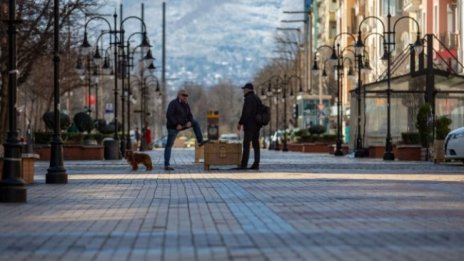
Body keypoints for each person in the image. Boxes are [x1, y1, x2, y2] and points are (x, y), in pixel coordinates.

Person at [164, 89, 205, 170]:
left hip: (183, 125)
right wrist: (176, 124)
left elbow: (190, 115)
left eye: (187, 95)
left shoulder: (186, 104)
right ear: (179, 95)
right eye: (184, 95)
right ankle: (167, 165)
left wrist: (190, 121)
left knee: (195, 123)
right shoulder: (173, 103)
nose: (186, 97)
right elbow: (169, 115)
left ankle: (200, 141)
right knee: (169, 145)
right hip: (173, 127)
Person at [236, 82, 261, 170]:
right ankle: (256, 163)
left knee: (246, 145)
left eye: (244, 89)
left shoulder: (248, 99)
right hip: (257, 126)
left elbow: (246, 113)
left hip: (249, 126)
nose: (243, 91)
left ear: (248, 89)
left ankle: (244, 164)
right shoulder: (257, 99)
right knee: (256, 144)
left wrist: (240, 123)